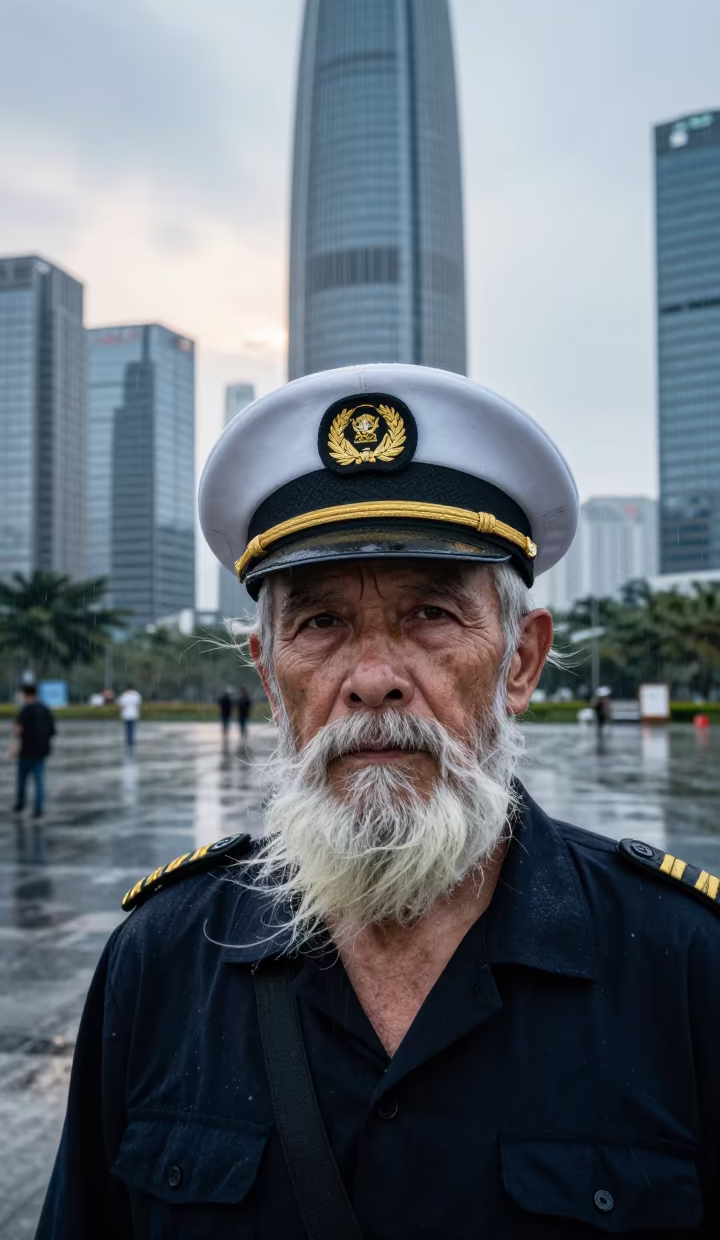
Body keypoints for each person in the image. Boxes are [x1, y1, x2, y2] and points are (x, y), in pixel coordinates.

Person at [38, 365, 719, 1238]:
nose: (372, 682)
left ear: (520, 661)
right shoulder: (161, 959)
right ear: (268, 676)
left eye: (431, 613)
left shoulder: (679, 962)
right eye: (319, 624)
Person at [10, 682, 55, 818]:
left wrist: (14, 747)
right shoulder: (45, 709)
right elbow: (52, 731)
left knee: (22, 779)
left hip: (26, 750)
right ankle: (38, 809)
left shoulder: (25, 710)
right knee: (39, 781)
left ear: (24, 694)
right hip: (41, 751)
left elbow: (17, 730)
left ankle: (20, 804)